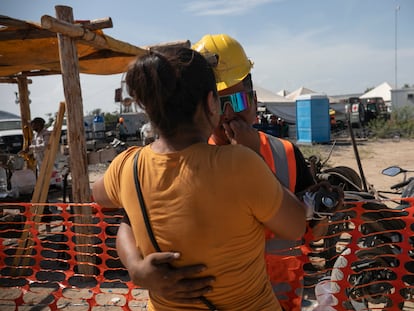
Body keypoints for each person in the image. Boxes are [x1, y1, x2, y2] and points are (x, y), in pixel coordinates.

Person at [115, 34, 342, 310]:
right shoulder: (186, 161)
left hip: (282, 297)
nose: (228, 114)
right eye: (220, 103)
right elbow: (128, 219)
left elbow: (310, 231)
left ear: (255, 102)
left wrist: (321, 214)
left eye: (236, 101)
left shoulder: (286, 153)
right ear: (206, 105)